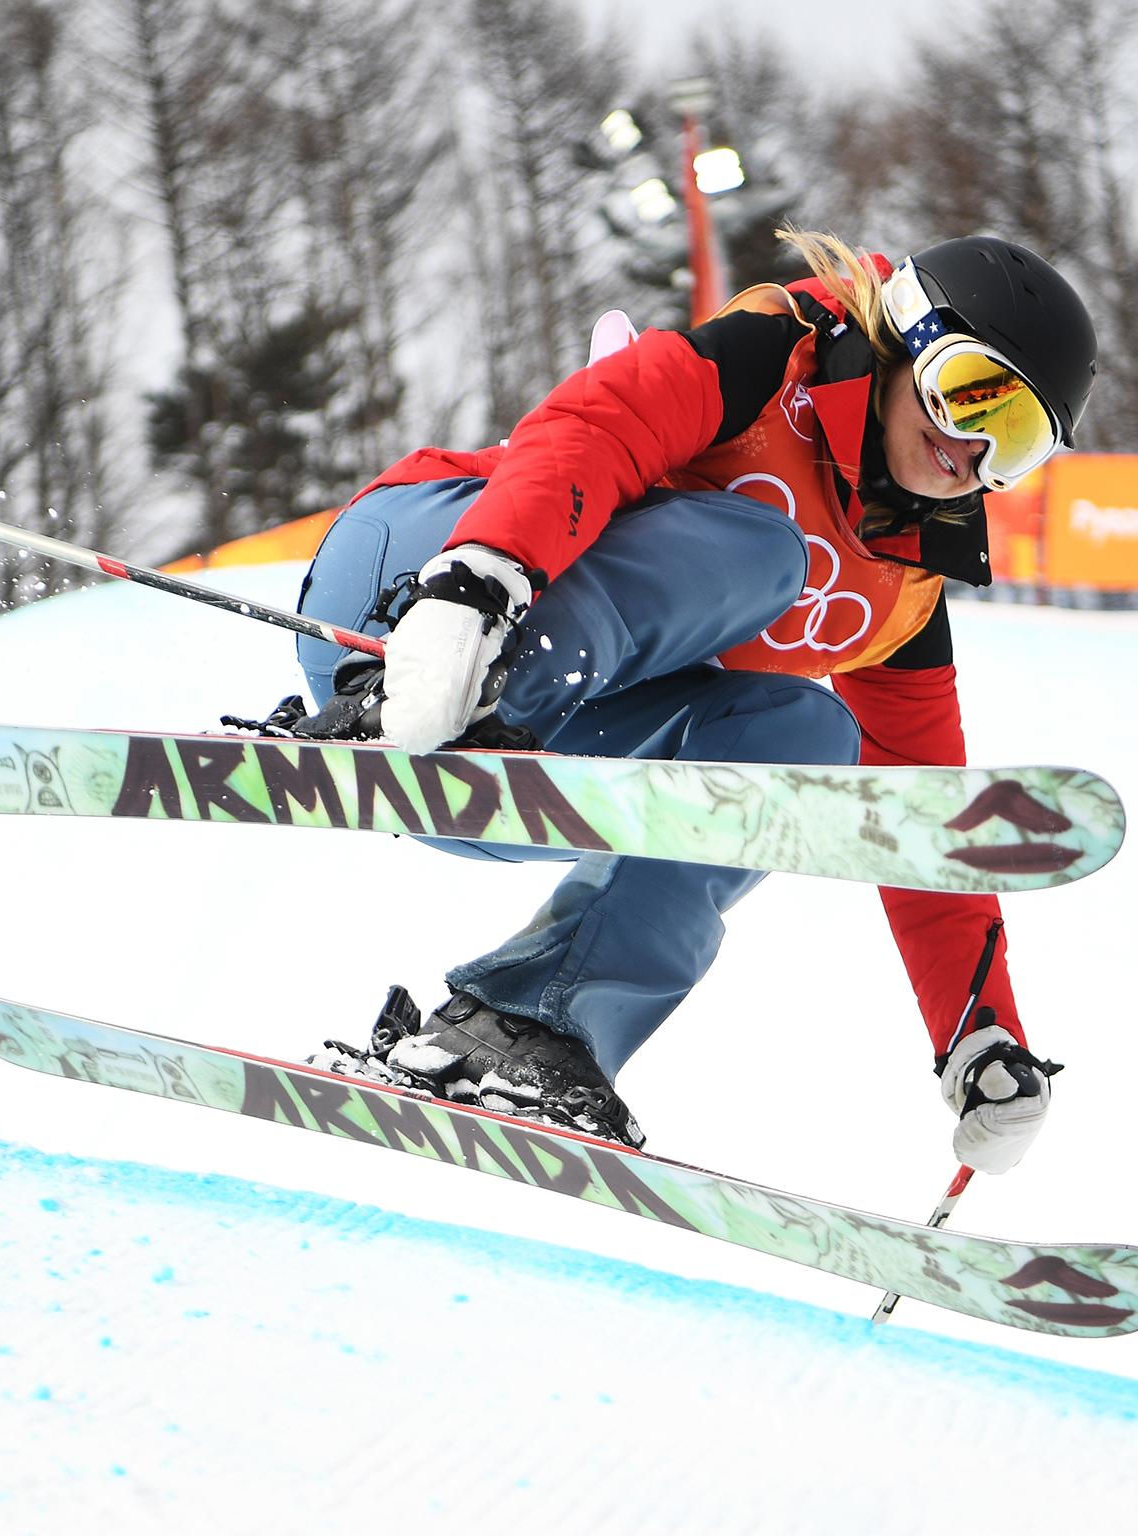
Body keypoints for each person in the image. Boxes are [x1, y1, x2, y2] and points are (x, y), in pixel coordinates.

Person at [283, 227, 1096, 1171]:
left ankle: (526, 1027)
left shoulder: (903, 589)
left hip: (523, 744)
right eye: (968, 393)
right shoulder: (771, 358)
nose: (971, 448)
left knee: (809, 738)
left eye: (1017, 442)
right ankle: (426, 696)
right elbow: (595, 426)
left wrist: (981, 1035)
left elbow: (916, 817)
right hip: (418, 577)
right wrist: (477, 583)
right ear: (907, 336)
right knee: (765, 552)